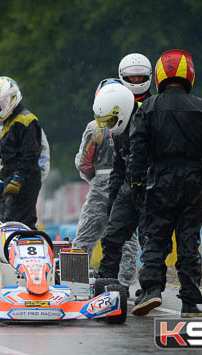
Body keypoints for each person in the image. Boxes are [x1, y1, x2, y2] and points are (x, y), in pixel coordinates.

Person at [129, 49, 202, 317]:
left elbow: (137, 149)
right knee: (188, 240)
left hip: (159, 179)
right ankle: (190, 302)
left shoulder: (148, 108)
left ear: (161, 75)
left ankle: (151, 291)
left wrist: (136, 181)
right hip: (193, 181)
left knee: (156, 237)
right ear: (189, 74)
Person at [97, 54, 153, 294]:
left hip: (151, 184)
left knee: (150, 239)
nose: (136, 80)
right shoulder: (117, 114)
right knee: (112, 235)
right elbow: (118, 164)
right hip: (128, 186)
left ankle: (151, 288)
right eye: (132, 77)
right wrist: (112, 197)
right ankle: (105, 284)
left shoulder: (154, 109)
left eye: (140, 77)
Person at [74, 79, 137, 287]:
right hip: (129, 181)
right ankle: (125, 280)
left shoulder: (95, 128)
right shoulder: (135, 122)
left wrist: (94, 179)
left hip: (101, 181)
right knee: (126, 233)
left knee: (86, 233)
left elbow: (84, 162)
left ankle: (76, 278)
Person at [0, 77, 43, 227]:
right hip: (12, 177)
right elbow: (8, 159)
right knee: (9, 221)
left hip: (26, 179)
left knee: (21, 222)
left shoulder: (26, 120)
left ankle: (29, 245)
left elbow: (30, 154)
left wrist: (19, 177)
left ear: (9, 99)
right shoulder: (9, 122)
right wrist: (2, 181)